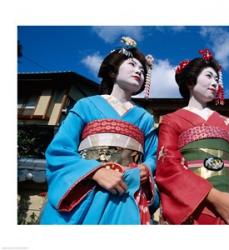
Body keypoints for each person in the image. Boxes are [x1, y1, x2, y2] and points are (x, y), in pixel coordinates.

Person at [40, 37, 159, 224]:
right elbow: (60, 150)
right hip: (86, 187)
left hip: (128, 189)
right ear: (112, 70)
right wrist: (95, 171)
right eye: (132, 64)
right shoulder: (85, 105)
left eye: (143, 70)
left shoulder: (144, 117)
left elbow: (153, 155)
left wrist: (147, 168)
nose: (138, 71)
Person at [156, 49, 229, 224]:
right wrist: (214, 197)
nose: (215, 83)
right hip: (196, 205)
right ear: (190, 82)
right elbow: (168, 165)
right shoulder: (171, 120)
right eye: (208, 76)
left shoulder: (226, 122)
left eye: (216, 78)